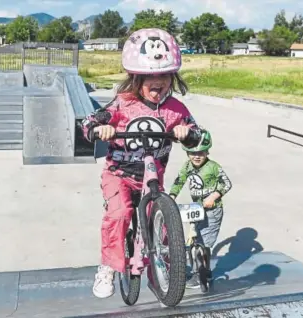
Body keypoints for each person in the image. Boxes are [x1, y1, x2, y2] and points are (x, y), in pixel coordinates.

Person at [80, 28, 202, 299]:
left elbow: (198, 134)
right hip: (119, 174)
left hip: (152, 180)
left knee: (165, 225)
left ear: (173, 77)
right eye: (150, 77)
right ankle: (109, 266)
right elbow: (90, 121)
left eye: (164, 76)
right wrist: (100, 129)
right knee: (121, 213)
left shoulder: (176, 110)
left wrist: (187, 133)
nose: (158, 83)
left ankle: (167, 271)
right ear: (136, 78)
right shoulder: (123, 104)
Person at [168, 129, 232, 291]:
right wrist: (171, 197)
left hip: (212, 210)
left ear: (207, 151)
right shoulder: (187, 166)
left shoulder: (213, 167)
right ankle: (204, 271)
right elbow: (179, 181)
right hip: (196, 209)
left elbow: (226, 183)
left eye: (201, 153)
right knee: (195, 241)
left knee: (203, 243)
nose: (196, 156)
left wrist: (213, 197)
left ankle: (200, 274)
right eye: (192, 152)